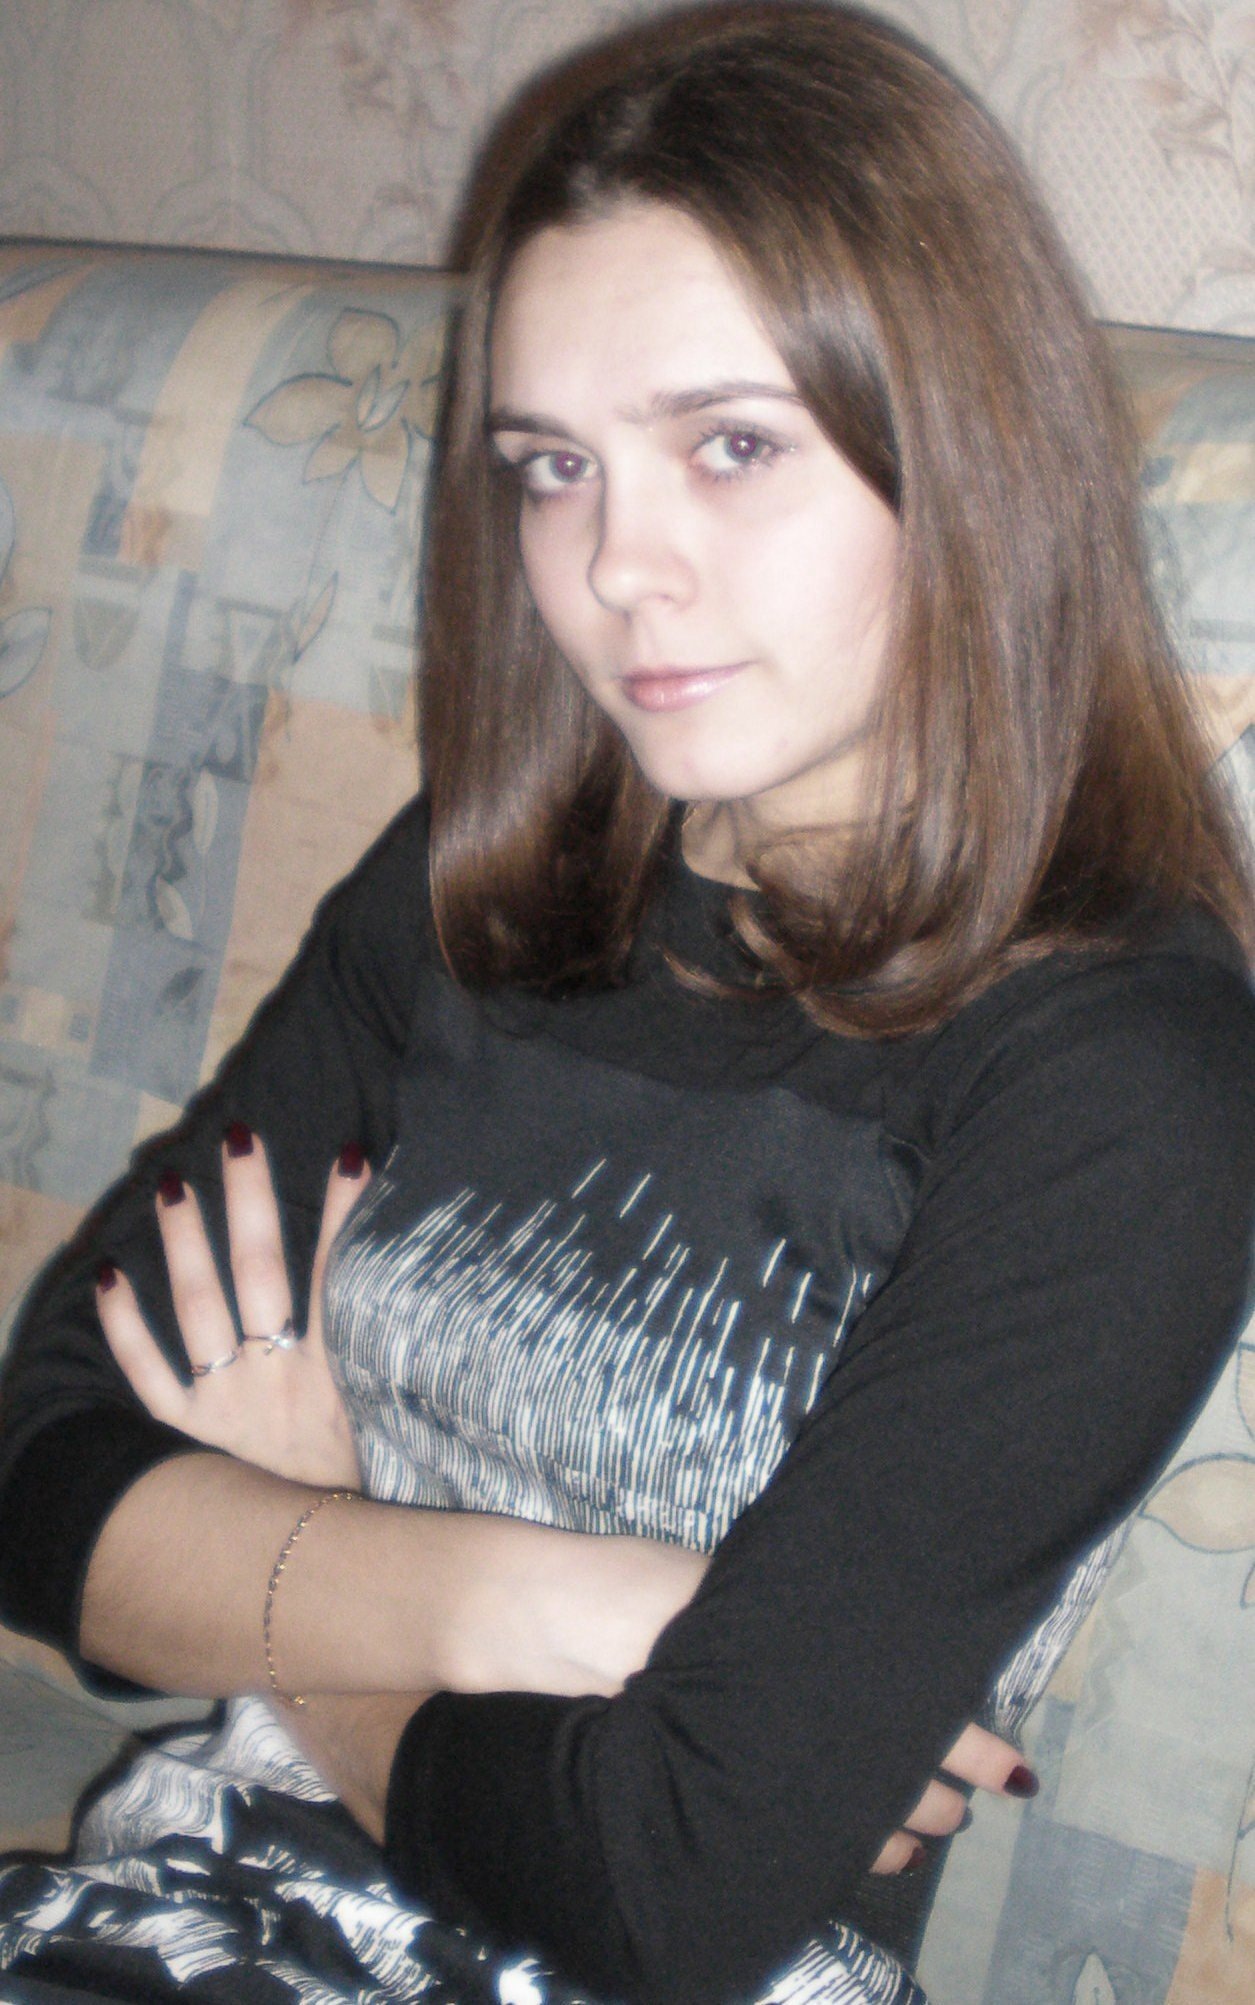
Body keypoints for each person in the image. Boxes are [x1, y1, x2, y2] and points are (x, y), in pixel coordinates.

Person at [0, 4, 1253, 2002]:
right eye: (551, 466)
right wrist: (553, 1601)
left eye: (730, 445)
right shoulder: (487, 884)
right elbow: (44, 1475)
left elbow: (664, 1891)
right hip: (190, 1896)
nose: (613, 566)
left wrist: (292, 1552)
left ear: (966, 453)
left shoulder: (1118, 1074)